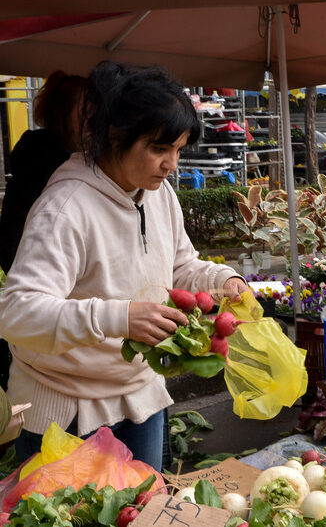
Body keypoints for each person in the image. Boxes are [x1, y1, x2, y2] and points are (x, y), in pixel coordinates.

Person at [0, 61, 249, 471]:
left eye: (178, 149)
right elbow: (17, 311)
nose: (172, 164)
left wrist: (226, 280)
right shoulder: (65, 208)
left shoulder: (158, 195)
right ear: (115, 136)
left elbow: (180, 263)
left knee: (143, 510)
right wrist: (117, 316)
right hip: (66, 410)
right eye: (159, 149)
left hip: (140, 395)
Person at [0, 72, 87, 391]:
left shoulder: (99, 160)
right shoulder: (42, 162)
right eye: (85, 108)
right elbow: (11, 239)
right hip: (54, 312)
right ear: (61, 113)